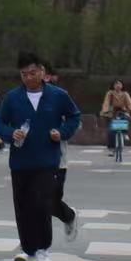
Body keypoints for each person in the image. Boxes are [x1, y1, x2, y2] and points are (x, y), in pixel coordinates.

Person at [0, 53, 83, 261]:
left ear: (42, 72)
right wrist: (11, 133)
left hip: (47, 161)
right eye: (24, 74)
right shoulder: (12, 98)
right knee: (23, 208)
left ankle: (43, 250)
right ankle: (30, 251)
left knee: (42, 204)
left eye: (32, 73)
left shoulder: (58, 96)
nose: (28, 78)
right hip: (20, 162)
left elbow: (74, 117)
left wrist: (62, 132)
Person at [44, 66, 81, 241]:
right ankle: (32, 244)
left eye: (46, 74)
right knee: (34, 201)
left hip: (57, 160)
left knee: (51, 201)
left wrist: (61, 132)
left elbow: (75, 121)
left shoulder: (60, 96)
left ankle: (69, 215)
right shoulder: (23, 97)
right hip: (33, 160)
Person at [101, 79, 131, 163]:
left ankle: (125, 133)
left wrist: (130, 109)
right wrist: (105, 110)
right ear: (113, 86)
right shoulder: (110, 93)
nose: (118, 86)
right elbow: (106, 102)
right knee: (111, 130)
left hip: (123, 111)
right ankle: (112, 148)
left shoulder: (125, 94)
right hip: (112, 112)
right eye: (116, 84)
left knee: (125, 119)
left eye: (119, 84)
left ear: (122, 85)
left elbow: (130, 103)